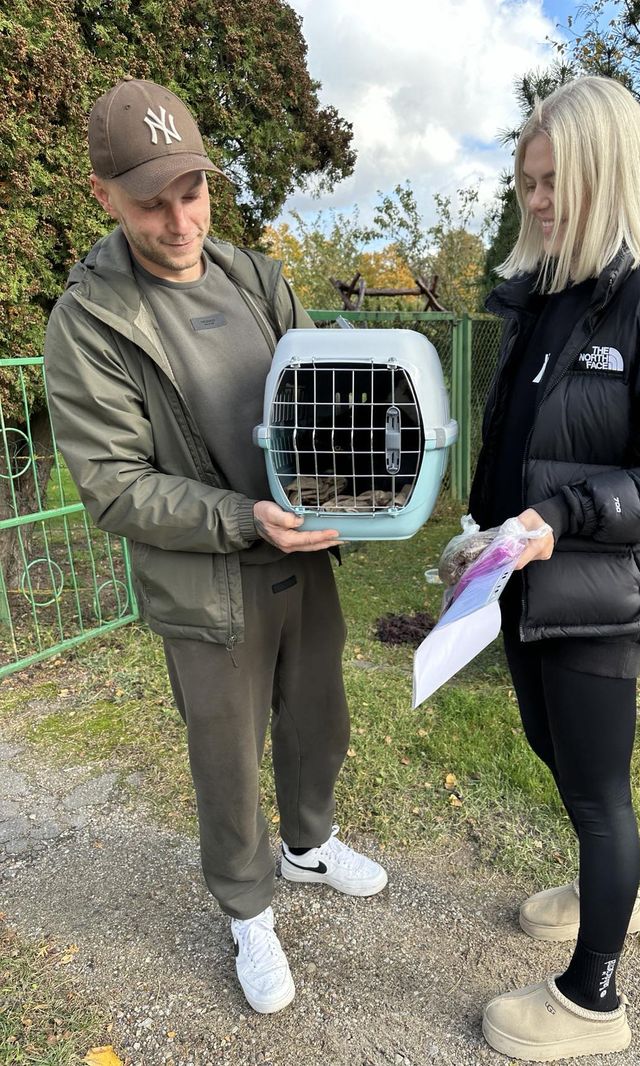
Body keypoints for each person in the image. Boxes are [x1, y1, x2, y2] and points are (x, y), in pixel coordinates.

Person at [44, 77, 387, 1016]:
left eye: (191, 192)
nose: (179, 221)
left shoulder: (254, 278)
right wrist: (243, 517)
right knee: (228, 757)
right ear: (103, 195)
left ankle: (308, 845)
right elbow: (115, 485)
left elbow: (319, 395)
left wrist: (355, 477)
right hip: (207, 580)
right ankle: (247, 907)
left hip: (301, 553)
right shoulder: (91, 320)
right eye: (151, 203)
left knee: (319, 720)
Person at [468, 76, 640, 1062]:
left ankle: (592, 999)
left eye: (556, 182)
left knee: (597, 792)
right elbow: (522, 440)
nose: (538, 202)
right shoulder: (541, 299)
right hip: (525, 577)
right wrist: (484, 530)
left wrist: (563, 517)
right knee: (549, 744)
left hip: (599, 590)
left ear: (609, 174)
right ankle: (608, 895)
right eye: (528, 183)